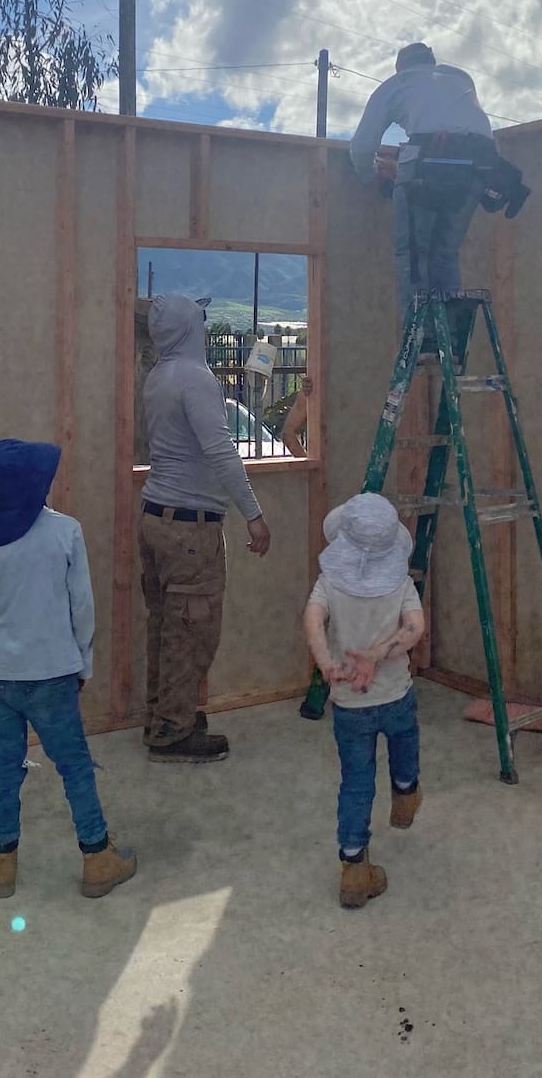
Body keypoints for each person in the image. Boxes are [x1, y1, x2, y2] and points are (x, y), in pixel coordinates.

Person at [0, 439, 136, 901]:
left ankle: (1, 862)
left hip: (0, 676)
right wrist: (82, 659)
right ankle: (97, 857)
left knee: (2, 769)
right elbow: (81, 605)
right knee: (75, 766)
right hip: (53, 674)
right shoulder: (66, 532)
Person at [141, 294, 272, 763]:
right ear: (187, 329)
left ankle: (162, 718)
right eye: (200, 319)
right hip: (188, 530)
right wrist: (253, 515)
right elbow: (220, 450)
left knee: (166, 625)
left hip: (158, 518)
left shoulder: (159, 376)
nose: (205, 324)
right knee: (191, 630)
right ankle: (174, 733)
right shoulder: (194, 378)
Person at [302, 493, 426, 909]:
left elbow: (313, 618)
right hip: (395, 694)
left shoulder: (329, 583)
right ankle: (406, 793)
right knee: (405, 746)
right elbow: (414, 627)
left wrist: (326, 663)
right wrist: (379, 654)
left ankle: (354, 867)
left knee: (355, 781)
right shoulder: (402, 584)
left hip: (349, 703)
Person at [349, 42, 526, 316]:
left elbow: (361, 148)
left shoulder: (396, 84)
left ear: (400, 67)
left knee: (413, 255)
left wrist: (373, 176)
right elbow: (451, 140)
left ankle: (420, 338)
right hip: (479, 166)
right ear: (431, 61)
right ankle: (451, 337)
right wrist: (405, 171)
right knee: (445, 252)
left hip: (430, 166)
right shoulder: (460, 78)